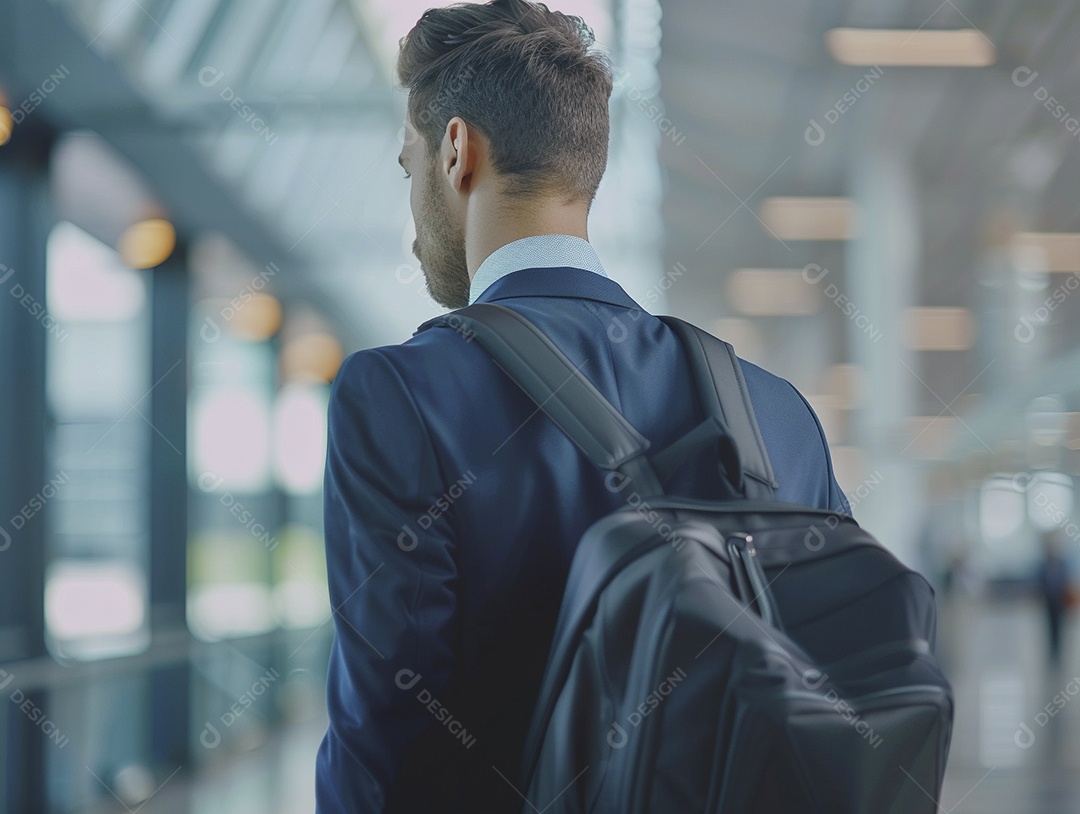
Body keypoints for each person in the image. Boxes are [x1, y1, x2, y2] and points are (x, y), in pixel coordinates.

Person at [315, 1, 851, 811]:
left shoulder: (398, 395)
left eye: (408, 165)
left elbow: (387, 732)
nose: (412, 206)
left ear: (456, 152)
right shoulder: (777, 414)